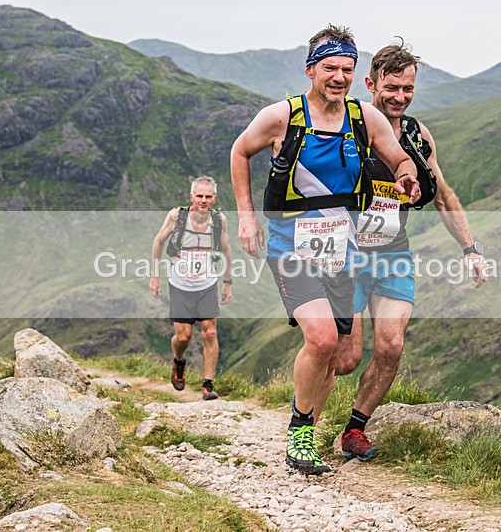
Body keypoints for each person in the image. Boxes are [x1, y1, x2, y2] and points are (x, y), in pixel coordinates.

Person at [230, 25, 420, 475]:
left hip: (342, 248)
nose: (339, 77)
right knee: (322, 337)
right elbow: (241, 153)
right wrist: (245, 216)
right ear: (311, 69)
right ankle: (299, 433)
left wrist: (406, 174)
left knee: (337, 351)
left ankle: (307, 427)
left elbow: (397, 156)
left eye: (347, 70)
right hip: (290, 244)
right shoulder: (282, 116)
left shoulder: (364, 119)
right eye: (331, 68)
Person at [319, 41, 488, 461]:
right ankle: (304, 424)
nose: (399, 97)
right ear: (370, 83)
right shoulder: (347, 124)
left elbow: (444, 195)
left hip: (393, 252)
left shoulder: (417, 134)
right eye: (391, 88)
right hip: (344, 253)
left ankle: (354, 430)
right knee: (344, 357)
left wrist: (470, 248)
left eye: (408, 89)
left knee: (391, 346)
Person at [151, 176, 233, 400]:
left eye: (208, 196)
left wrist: (227, 282)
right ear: (191, 197)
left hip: (207, 283)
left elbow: (226, 250)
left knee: (210, 332)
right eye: (199, 196)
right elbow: (158, 242)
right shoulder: (177, 216)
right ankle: (178, 362)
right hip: (180, 284)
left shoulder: (219, 220)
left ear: (214, 198)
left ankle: (208, 384)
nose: (203, 200)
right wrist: (154, 276)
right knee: (184, 337)